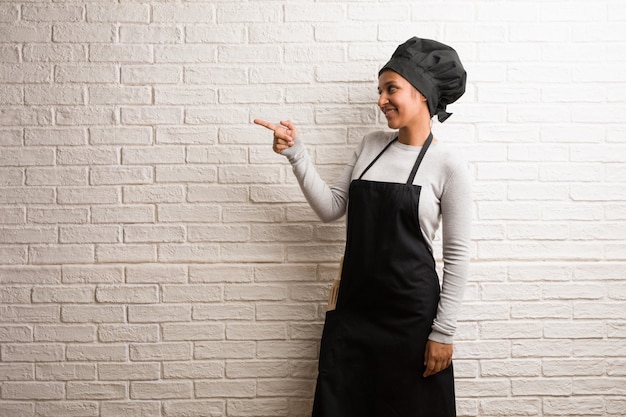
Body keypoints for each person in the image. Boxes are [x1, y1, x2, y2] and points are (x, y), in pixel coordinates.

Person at [254, 37, 471, 417]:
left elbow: (456, 257)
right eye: (380, 90)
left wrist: (444, 332)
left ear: (423, 94)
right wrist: (296, 154)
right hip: (355, 315)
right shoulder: (371, 145)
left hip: (413, 324)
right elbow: (331, 208)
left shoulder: (448, 165)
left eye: (392, 89)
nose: (381, 100)